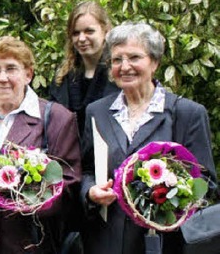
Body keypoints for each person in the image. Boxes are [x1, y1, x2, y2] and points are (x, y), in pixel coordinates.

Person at [80, 22, 217, 254]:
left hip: (165, 245)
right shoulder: (97, 112)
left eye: (134, 57)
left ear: (154, 62)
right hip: (107, 241)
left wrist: (168, 192)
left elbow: (208, 185)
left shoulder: (188, 113)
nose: (125, 67)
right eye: (116, 60)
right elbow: (85, 170)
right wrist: (90, 192)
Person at [0, 36, 81, 253]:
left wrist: (33, 201)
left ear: (28, 74)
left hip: (30, 243)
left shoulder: (58, 118)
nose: (2, 78)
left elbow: (70, 183)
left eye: (11, 69)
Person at [49, 0, 119, 136]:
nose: (81, 38)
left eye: (89, 31)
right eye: (75, 33)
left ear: (105, 31)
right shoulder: (61, 78)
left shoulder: (118, 76)